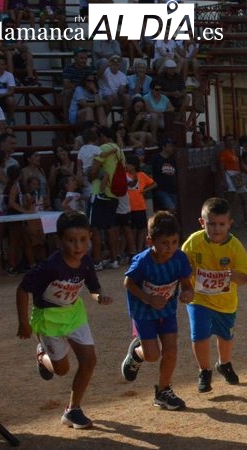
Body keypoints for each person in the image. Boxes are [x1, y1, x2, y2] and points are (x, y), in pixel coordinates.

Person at [15, 211, 115, 429]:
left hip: (74, 315)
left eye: (83, 240)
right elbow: (22, 289)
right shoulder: (50, 266)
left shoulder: (86, 261)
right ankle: (42, 355)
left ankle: (73, 410)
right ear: (59, 240)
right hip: (49, 320)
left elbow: (93, 287)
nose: (78, 246)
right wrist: (24, 322)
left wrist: (99, 297)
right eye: (71, 240)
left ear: (89, 237)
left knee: (89, 361)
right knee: (61, 370)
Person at [121, 211, 194, 409]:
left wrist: (188, 293)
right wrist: (148, 298)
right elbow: (128, 282)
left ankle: (163, 391)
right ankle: (137, 353)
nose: (170, 247)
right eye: (164, 243)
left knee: (171, 351)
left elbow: (186, 284)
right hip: (143, 312)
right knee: (152, 355)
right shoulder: (142, 262)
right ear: (150, 241)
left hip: (167, 311)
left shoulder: (180, 259)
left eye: (174, 241)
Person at [182, 197, 247, 393]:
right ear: (201, 222)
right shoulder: (193, 243)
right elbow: (181, 267)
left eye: (221, 224)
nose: (216, 229)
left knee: (225, 337)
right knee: (199, 335)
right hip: (199, 299)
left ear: (230, 224)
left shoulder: (235, 247)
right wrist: (186, 286)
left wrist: (233, 275)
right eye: (211, 224)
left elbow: (245, 278)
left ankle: (224, 363)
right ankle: (204, 371)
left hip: (225, 302)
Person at [88, 127, 126, 271]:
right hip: (114, 194)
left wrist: (90, 176)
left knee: (96, 228)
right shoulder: (120, 151)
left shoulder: (103, 148)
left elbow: (93, 171)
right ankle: (114, 259)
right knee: (111, 227)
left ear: (103, 136)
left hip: (100, 193)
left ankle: (97, 261)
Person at [125, 154, 156, 252]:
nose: (126, 165)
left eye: (128, 164)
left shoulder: (141, 175)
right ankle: (133, 250)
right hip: (129, 206)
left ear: (133, 165)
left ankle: (139, 249)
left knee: (142, 229)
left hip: (140, 206)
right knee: (133, 230)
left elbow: (154, 184)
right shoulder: (125, 175)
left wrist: (145, 190)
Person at [151, 138, 179, 214]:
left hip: (172, 190)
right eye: (170, 146)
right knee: (171, 208)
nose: (172, 148)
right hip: (161, 190)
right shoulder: (156, 159)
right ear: (163, 147)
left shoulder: (172, 160)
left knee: (172, 211)